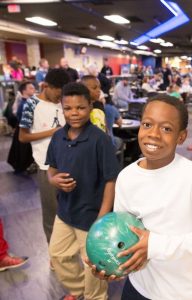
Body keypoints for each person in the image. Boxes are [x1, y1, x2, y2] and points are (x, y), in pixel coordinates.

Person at [91, 94, 192, 300]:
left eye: (166, 129)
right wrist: (112, 264)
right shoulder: (126, 177)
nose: (154, 134)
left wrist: (155, 245)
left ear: (181, 137)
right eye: (147, 124)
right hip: (137, 286)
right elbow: (123, 231)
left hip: (179, 293)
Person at [46, 82, 120, 300]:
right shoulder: (58, 137)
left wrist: (102, 217)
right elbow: (51, 169)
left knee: (93, 265)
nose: (74, 113)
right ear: (62, 109)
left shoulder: (100, 140)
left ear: (90, 106)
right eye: (68, 108)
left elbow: (110, 180)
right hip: (66, 211)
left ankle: (95, 296)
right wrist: (53, 180)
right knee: (58, 254)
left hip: (91, 216)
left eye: (80, 107)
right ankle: (80, 291)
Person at [19, 69, 70, 244]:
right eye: (58, 94)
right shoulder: (32, 104)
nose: (59, 98)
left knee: (70, 209)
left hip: (70, 163)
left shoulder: (63, 102)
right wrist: (52, 132)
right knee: (51, 214)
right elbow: (23, 136)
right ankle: (54, 254)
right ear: (46, 86)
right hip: (46, 167)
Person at [7, 81, 36, 173]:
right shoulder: (24, 104)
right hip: (24, 130)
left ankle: (25, 166)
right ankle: (25, 167)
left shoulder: (28, 102)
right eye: (31, 88)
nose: (34, 89)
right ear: (24, 91)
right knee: (23, 151)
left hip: (24, 129)